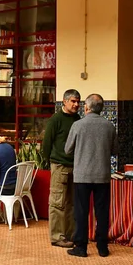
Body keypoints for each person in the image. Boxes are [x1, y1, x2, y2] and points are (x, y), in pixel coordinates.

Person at [64, 94, 117, 258]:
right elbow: (115, 150)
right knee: (102, 211)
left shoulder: (78, 125)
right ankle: (102, 247)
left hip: (82, 176)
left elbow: (67, 149)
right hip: (102, 175)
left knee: (81, 212)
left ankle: (81, 246)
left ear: (86, 107)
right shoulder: (109, 126)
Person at [42, 89, 81, 247]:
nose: (76, 104)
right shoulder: (55, 120)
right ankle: (57, 236)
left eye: (78, 101)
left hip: (75, 166)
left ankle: (70, 235)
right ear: (64, 102)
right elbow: (46, 144)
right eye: (73, 101)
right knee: (58, 202)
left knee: (72, 202)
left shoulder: (77, 119)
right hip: (59, 165)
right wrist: (49, 162)